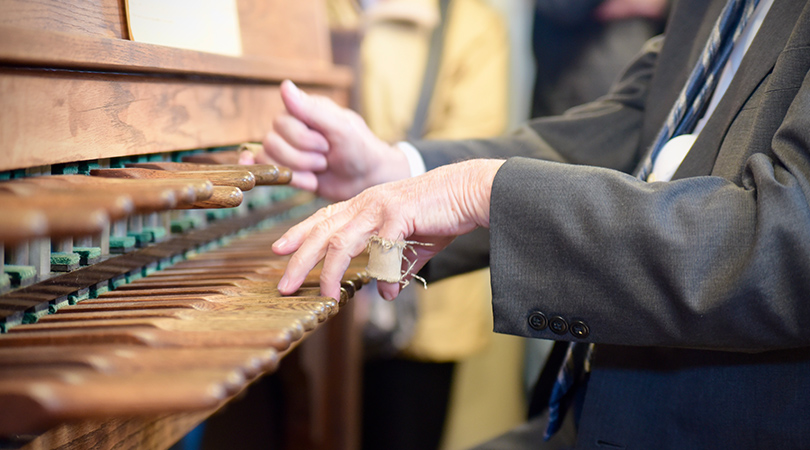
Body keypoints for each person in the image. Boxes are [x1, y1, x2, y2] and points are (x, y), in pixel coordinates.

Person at [244, 0, 810, 447]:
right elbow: (636, 123)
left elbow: (788, 240)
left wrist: (482, 190)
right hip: (596, 407)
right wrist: (399, 168)